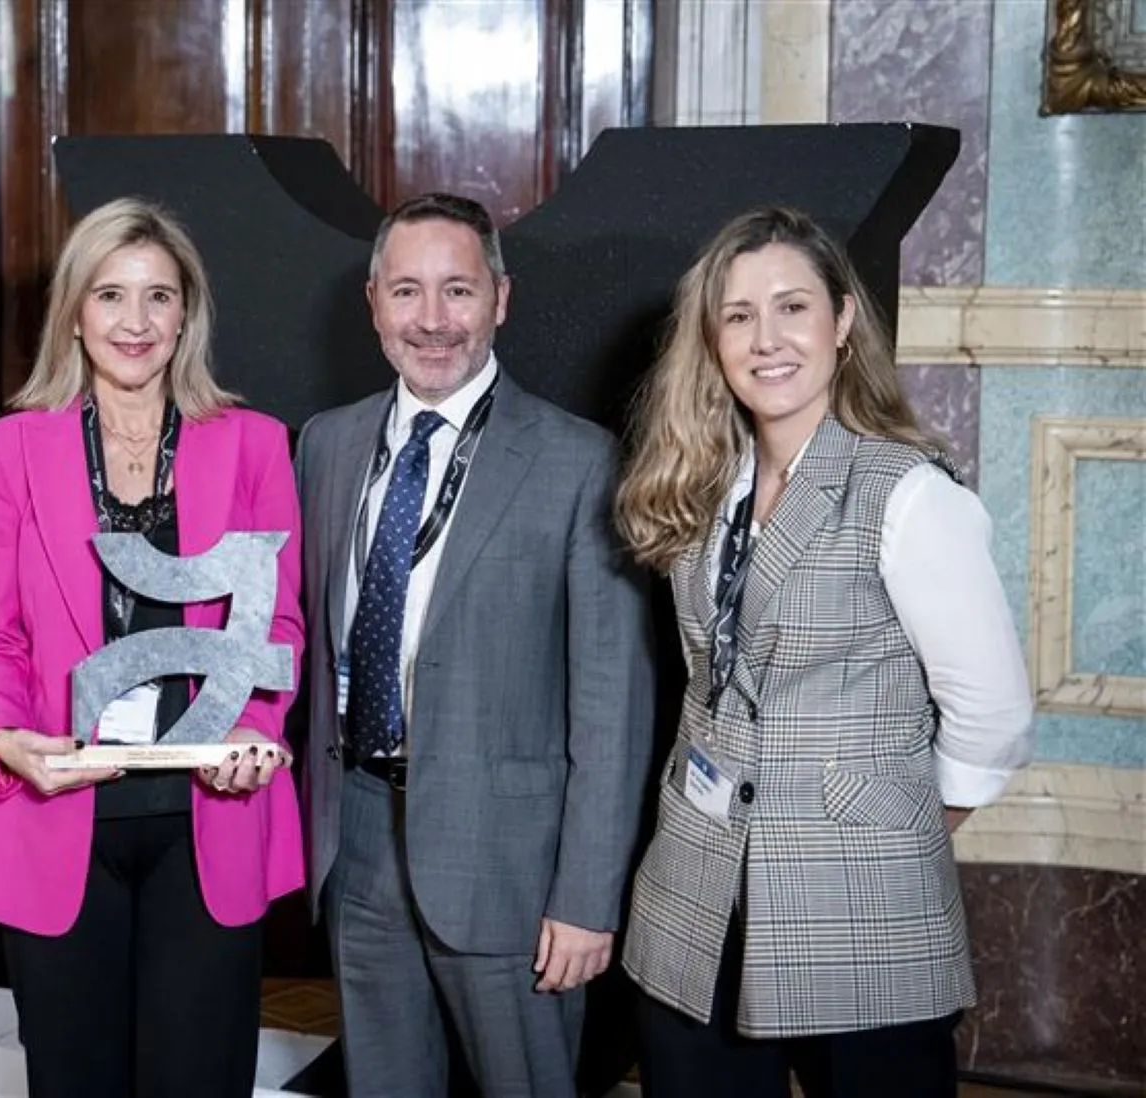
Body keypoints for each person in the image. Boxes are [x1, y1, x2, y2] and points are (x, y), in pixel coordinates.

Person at [615, 206, 1035, 1098]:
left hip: (863, 908)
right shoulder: (697, 485)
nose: (767, 339)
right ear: (712, 339)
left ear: (842, 322)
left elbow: (993, 719)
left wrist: (880, 831)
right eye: (738, 315)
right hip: (693, 898)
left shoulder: (908, 495)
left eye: (792, 308)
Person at [0, 197, 305, 1098]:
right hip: (59, 808)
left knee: (199, 1078)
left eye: (158, 297)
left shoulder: (254, 444)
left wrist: (254, 728)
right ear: (74, 311)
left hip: (207, 814)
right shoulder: (13, 450)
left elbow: (277, 624)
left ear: (188, 312)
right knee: (73, 1080)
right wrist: (2, 736)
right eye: (110, 295)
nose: (134, 323)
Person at [295, 192, 655, 1098]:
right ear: (373, 300)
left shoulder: (580, 463)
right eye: (407, 291)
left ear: (501, 297)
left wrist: (584, 898)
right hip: (361, 840)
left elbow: (613, 706)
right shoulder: (326, 447)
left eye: (457, 291)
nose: (432, 320)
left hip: (514, 864)